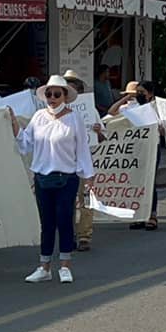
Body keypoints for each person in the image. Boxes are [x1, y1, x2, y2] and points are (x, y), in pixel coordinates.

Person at [17, 75, 94, 283]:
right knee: (47, 223)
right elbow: (25, 143)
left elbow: (82, 149)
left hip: (66, 177)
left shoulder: (74, 118)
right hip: (43, 178)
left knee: (64, 220)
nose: (52, 98)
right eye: (49, 94)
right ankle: (44, 266)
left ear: (65, 97)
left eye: (56, 94)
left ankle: (65, 265)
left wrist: (88, 175)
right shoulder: (39, 117)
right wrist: (13, 124)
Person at [110, 81, 161, 232]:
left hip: (152, 148)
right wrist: (126, 98)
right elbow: (112, 112)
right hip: (134, 149)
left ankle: (151, 215)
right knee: (135, 181)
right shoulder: (130, 108)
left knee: (149, 181)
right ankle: (138, 215)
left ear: (150, 94)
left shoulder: (157, 107)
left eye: (141, 92)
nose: (138, 95)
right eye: (136, 92)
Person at [65, 73, 99, 253]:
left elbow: (101, 136)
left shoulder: (89, 110)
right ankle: (68, 235)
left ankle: (84, 235)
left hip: (83, 164)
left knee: (85, 200)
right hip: (64, 164)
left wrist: (98, 130)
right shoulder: (55, 113)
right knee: (66, 202)